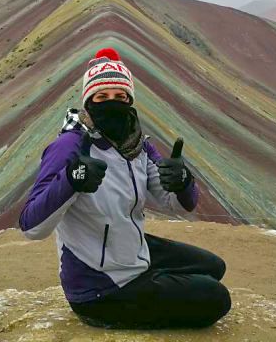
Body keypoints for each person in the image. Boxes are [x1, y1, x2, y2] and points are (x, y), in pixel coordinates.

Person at [18, 47, 231, 329]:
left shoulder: (136, 144)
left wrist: (182, 181)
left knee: (214, 267)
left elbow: (180, 204)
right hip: (99, 286)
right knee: (216, 298)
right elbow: (32, 226)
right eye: (101, 97)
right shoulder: (69, 146)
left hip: (128, 250)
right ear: (88, 101)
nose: (112, 103)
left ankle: (148, 276)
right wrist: (72, 179)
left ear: (130, 100)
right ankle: (129, 294)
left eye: (120, 97)